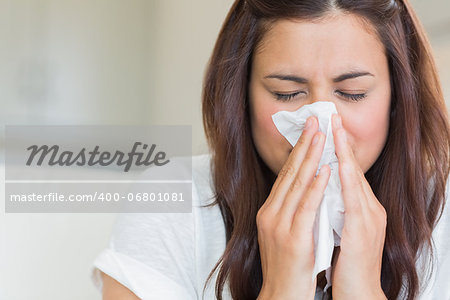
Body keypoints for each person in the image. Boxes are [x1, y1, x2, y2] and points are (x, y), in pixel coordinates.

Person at [91, 0, 450, 299]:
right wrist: (281, 290)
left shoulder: (443, 213)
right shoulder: (173, 202)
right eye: (287, 93)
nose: (319, 127)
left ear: (398, 99)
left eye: (353, 92)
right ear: (241, 97)